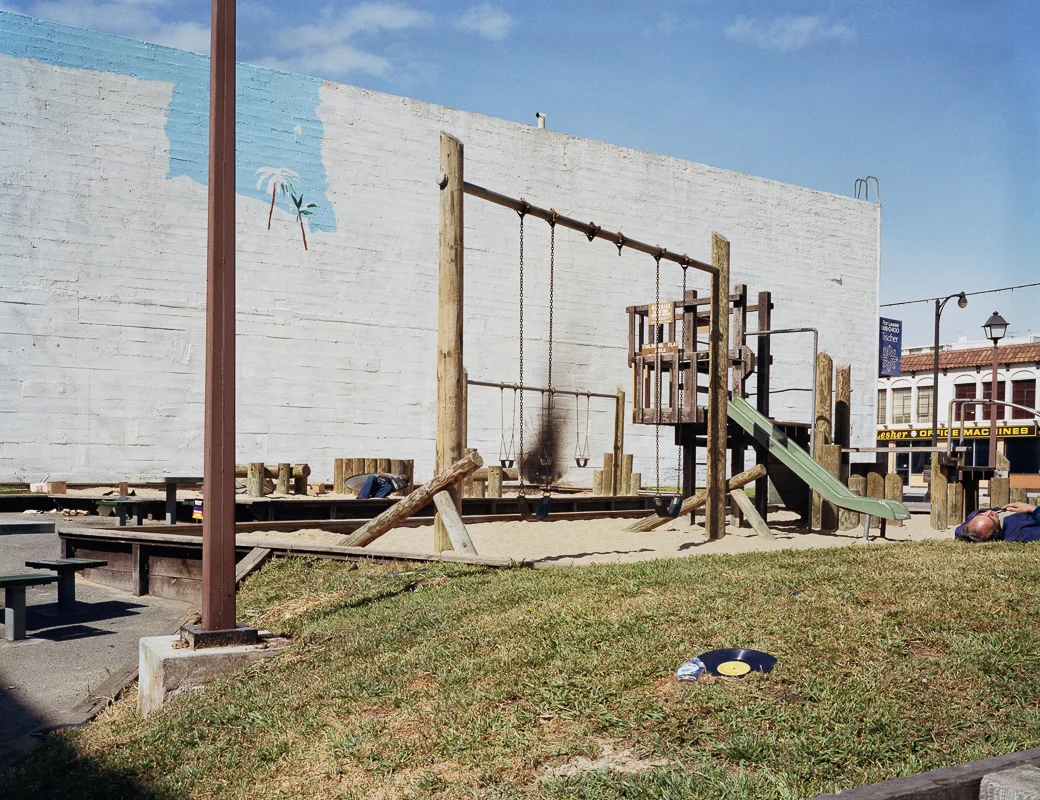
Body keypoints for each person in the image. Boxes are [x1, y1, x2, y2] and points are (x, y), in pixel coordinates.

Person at [954, 502, 1040, 543]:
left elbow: (959, 532)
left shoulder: (968, 529)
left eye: (982, 514)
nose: (989, 511)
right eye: (992, 518)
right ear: (996, 532)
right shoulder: (1019, 533)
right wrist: (1033, 508)